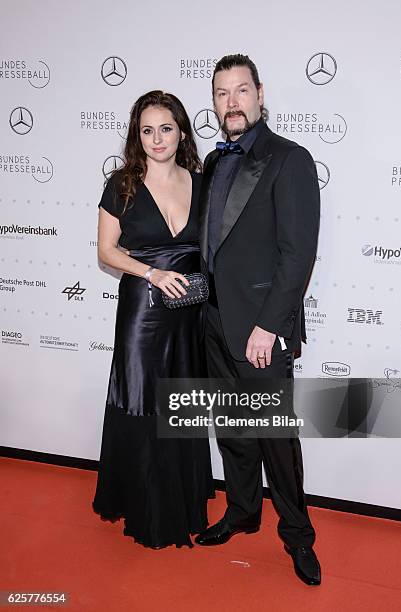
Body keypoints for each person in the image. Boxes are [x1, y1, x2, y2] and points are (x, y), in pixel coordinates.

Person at [195, 54, 321, 585]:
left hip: (261, 331)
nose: (232, 102)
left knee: (274, 436)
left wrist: (270, 327)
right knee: (234, 431)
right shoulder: (211, 163)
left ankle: (298, 537)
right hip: (215, 321)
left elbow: (298, 255)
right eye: (222, 93)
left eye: (240, 91)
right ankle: (244, 511)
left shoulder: (289, 159)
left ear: (260, 94)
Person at [92, 90, 214, 549]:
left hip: (190, 315)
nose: (157, 138)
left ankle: (183, 500)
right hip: (143, 311)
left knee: (182, 404)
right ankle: (148, 510)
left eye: (166, 128)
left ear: (181, 130)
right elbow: (106, 251)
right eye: (147, 130)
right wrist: (152, 272)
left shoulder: (202, 182)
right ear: (136, 135)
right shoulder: (122, 184)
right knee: (144, 403)